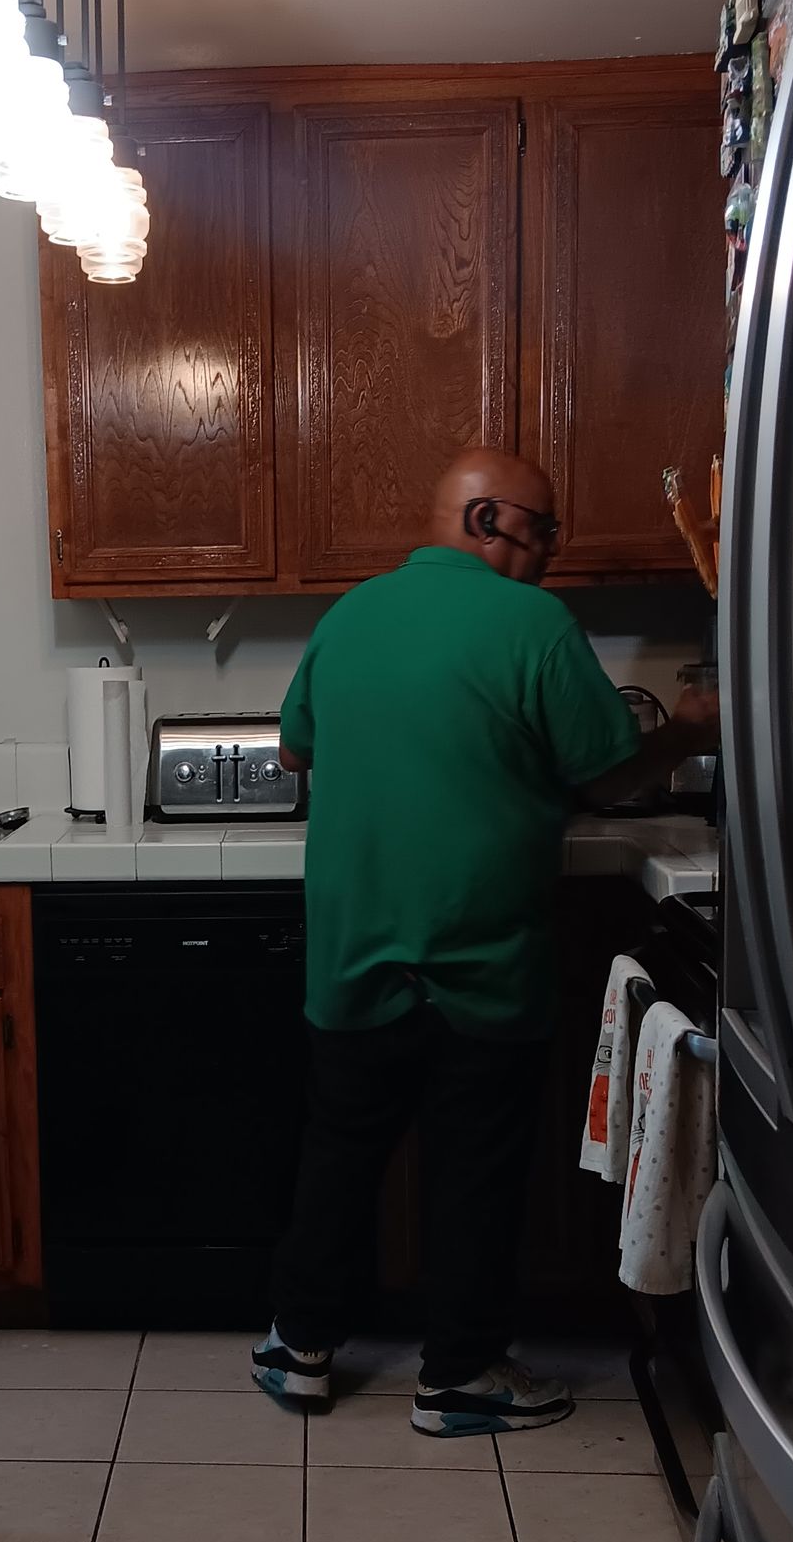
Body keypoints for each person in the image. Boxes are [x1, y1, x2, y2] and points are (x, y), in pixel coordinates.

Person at [252, 445, 721, 1437]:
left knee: (340, 1153)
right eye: (542, 528)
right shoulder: (533, 624)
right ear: (485, 523)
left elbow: (295, 749)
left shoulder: (351, 615)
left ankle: (300, 1349)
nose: (552, 551)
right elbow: (604, 776)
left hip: (354, 956)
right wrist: (686, 729)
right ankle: (457, 1376)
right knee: (475, 1172)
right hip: (480, 964)